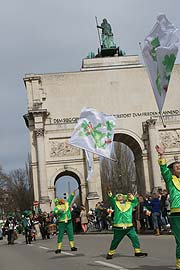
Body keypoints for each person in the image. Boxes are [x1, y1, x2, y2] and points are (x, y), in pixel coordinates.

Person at [156, 145, 180, 270]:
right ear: (173, 171)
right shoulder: (170, 180)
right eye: (176, 167)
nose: (179, 167)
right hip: (176, 215)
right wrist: (162, 155)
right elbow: (164, 169)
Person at [106, 187, 148, 259]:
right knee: (116, 241)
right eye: (118, 196)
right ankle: (110, 253)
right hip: (119, 226)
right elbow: (111, 200)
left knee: (134, 238)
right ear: (116, 198)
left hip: (129, 226)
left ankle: (137, 252)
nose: (120, 196)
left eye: (121, 195)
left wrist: (131, 196)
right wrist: (109, 193)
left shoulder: (129, 204)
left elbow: (135, 202)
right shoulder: (115, 204)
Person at [54, 190, 78, 254]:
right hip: (61, 222)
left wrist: (73, 193)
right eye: (61, 201)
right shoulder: (57, 207)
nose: (62, 201)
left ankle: (72, 247)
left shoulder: (67, 204)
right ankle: (59, 248)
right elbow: (55, 212)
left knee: (70, 234)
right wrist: (60, 211)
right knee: (60, 235)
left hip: (69, 221)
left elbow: (70, 199)